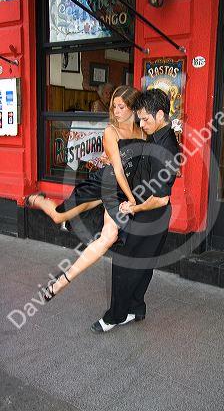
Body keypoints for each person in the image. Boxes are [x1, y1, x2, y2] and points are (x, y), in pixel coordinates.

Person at [25, 86, 147, 298]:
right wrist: (131, 199)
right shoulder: (111, 131)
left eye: (121, 106)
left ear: (133, 107)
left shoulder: (143, 132)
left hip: (118, 192)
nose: (116, 111)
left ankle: (60, 283)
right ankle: (40, 200)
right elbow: (118, 169)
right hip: (102, 184)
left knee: (109, 237)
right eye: (114, 106)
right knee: (57, 216)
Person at [91, 88, 180, 332]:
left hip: (150, 213)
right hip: (147, 211)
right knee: (141, 264)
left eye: (146, 119)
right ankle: (135, 309)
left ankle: (115, 316)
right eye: (139, 118)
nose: (142, 123)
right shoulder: (156, 135)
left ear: (160, 114)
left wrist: (133, 206)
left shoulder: (167, 147)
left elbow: (160, 199)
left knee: (123, 263)